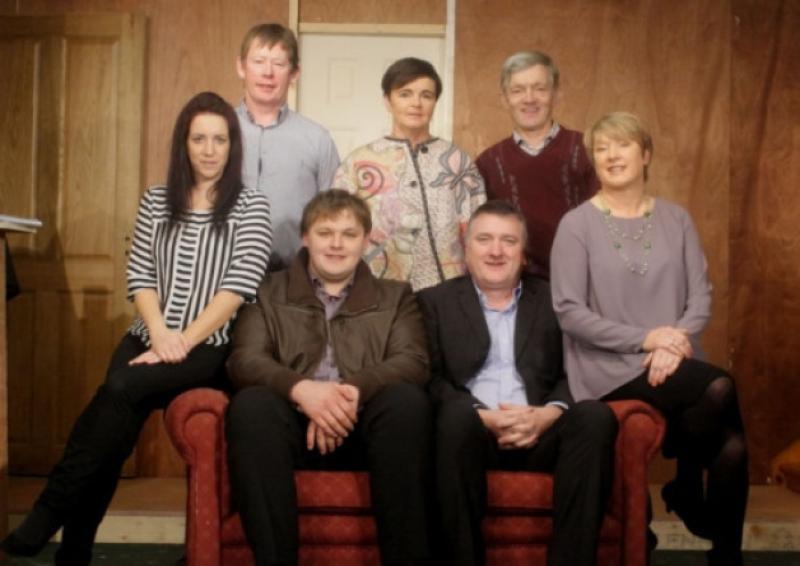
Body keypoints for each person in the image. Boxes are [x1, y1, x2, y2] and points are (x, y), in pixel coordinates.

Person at [0, 92, 272, 565]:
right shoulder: (155, 200)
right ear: (183, 144)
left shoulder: (251, 206)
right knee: (113, 428)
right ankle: (75, 551)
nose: (209, 149)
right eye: (199, 138)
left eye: (220, 139)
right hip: (148, 333)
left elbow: (237, 288)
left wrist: (182, 340)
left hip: (209, 346)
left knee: (120, 385)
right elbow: (141, 274)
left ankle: (48, 513)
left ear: (233, 147)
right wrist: (161, 333)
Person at [550, 111, 748, 566]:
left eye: (622, 145)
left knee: (730, 440)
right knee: (720, 391)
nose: (612, 155)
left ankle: (718, 541)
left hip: (673, 358)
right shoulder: (576, 225)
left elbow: (701, 294)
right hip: (608, 366)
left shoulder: (676, 219)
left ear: (646, 155)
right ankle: (689, 486)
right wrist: (647, 340)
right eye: (602, 149)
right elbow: (569, 311)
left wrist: (672, 340)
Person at [225, 189, 433, 565]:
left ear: (366, 240)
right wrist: (303, 391)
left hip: (367, 430)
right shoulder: (266, 291)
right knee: (250, 406)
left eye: (349, 234)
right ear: (305, 237)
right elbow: (245, 360)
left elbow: (412, 360)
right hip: (290, 430)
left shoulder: (396, 296)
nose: (336, 244)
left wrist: (348, 392)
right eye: (325, 232)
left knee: (407, 403)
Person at [419, 200, 617, 566]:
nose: (496, 250)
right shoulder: (433, 302)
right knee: (454, 419)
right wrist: (480, 415)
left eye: (508, 241)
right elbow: (428, 379)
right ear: (466, 248)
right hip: (471, 433)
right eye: (485, 239)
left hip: (541, 429)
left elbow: (581, 368)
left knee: (595, 417)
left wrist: (548, 414)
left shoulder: (556, 301)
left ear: (523, 253)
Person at [334, 57, 485, 291]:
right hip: (379, 290)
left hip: (450, 290)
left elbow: (478, 229)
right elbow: (339, 232)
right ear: (387, 100)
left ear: (435, 102)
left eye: (426, 95)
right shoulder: (357, 164)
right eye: (405, 94)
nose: (416, 103)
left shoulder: (458, 162)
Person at [476, 51, 597, 279]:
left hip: (584, 285)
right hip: (516, 292)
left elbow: (607, 224)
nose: (529, 99)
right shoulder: (487, 164)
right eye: (518, 90)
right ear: (504, 99)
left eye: (539, 89)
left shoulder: (590, 150)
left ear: (556, 95)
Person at [236, 23, 339, 269]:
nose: (267, 73)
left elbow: (333, 215)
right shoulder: (217, 132)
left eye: (279, 64)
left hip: (293, 278)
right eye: (258, 61)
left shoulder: (317, 139)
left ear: (294, 74)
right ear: (241, 67)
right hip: (220, 275)